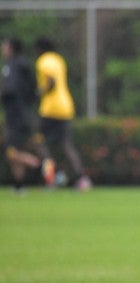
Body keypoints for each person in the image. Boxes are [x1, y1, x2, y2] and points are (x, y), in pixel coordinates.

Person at [34, 37, 91, 191]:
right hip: (66, 107)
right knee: (66, 145)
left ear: (39, 49)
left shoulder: (43, 61)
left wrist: (39, 92)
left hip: (50, 108)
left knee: (39, 143)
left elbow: (51, 82)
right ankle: (82, 179)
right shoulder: (59, 60)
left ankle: (53, 178)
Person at [1, 37, 44, 193]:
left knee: (11, 153)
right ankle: (19, 186)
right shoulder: (25, 65)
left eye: (4, 46)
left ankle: (41, 165)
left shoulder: (11, 66)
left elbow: (9, 90)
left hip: (16, 117)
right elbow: (33, 91)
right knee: (15, 151)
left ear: (11, 48)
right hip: (25, 114)